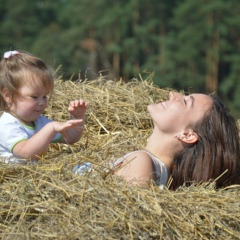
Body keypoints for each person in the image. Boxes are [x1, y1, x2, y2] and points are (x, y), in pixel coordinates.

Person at [73, 91, 240, 190]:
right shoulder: (147, 164)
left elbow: (126, 217)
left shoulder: (141, 162)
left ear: (188, 135)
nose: (173, 94)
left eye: (186, 101)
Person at [0, 50, 88, 164]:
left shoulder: (40, 122)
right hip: (15, 178)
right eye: (34, 97)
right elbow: (26, 153)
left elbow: (70, 138)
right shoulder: (7, 125)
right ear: (8, 95)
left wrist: (77, 118)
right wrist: (50, 128)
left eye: (45, 96)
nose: (42, 103)